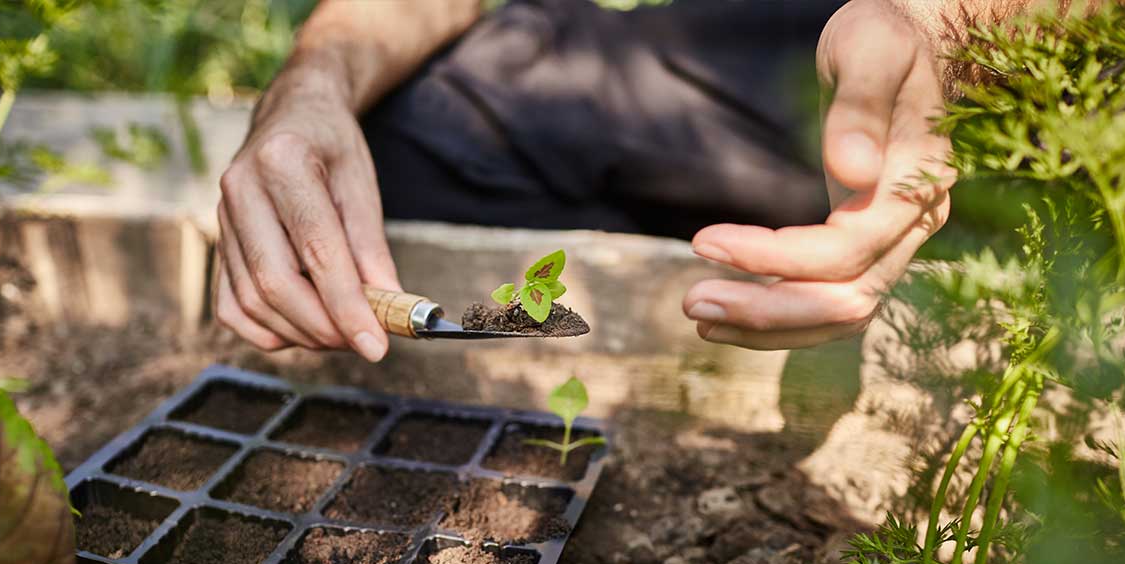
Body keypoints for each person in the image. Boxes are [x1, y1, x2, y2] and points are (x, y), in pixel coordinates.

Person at [215, 0, 1009, 362]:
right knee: (404, 125)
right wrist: (309, 89)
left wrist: (941, 33)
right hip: (743, 41)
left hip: (982, 84)